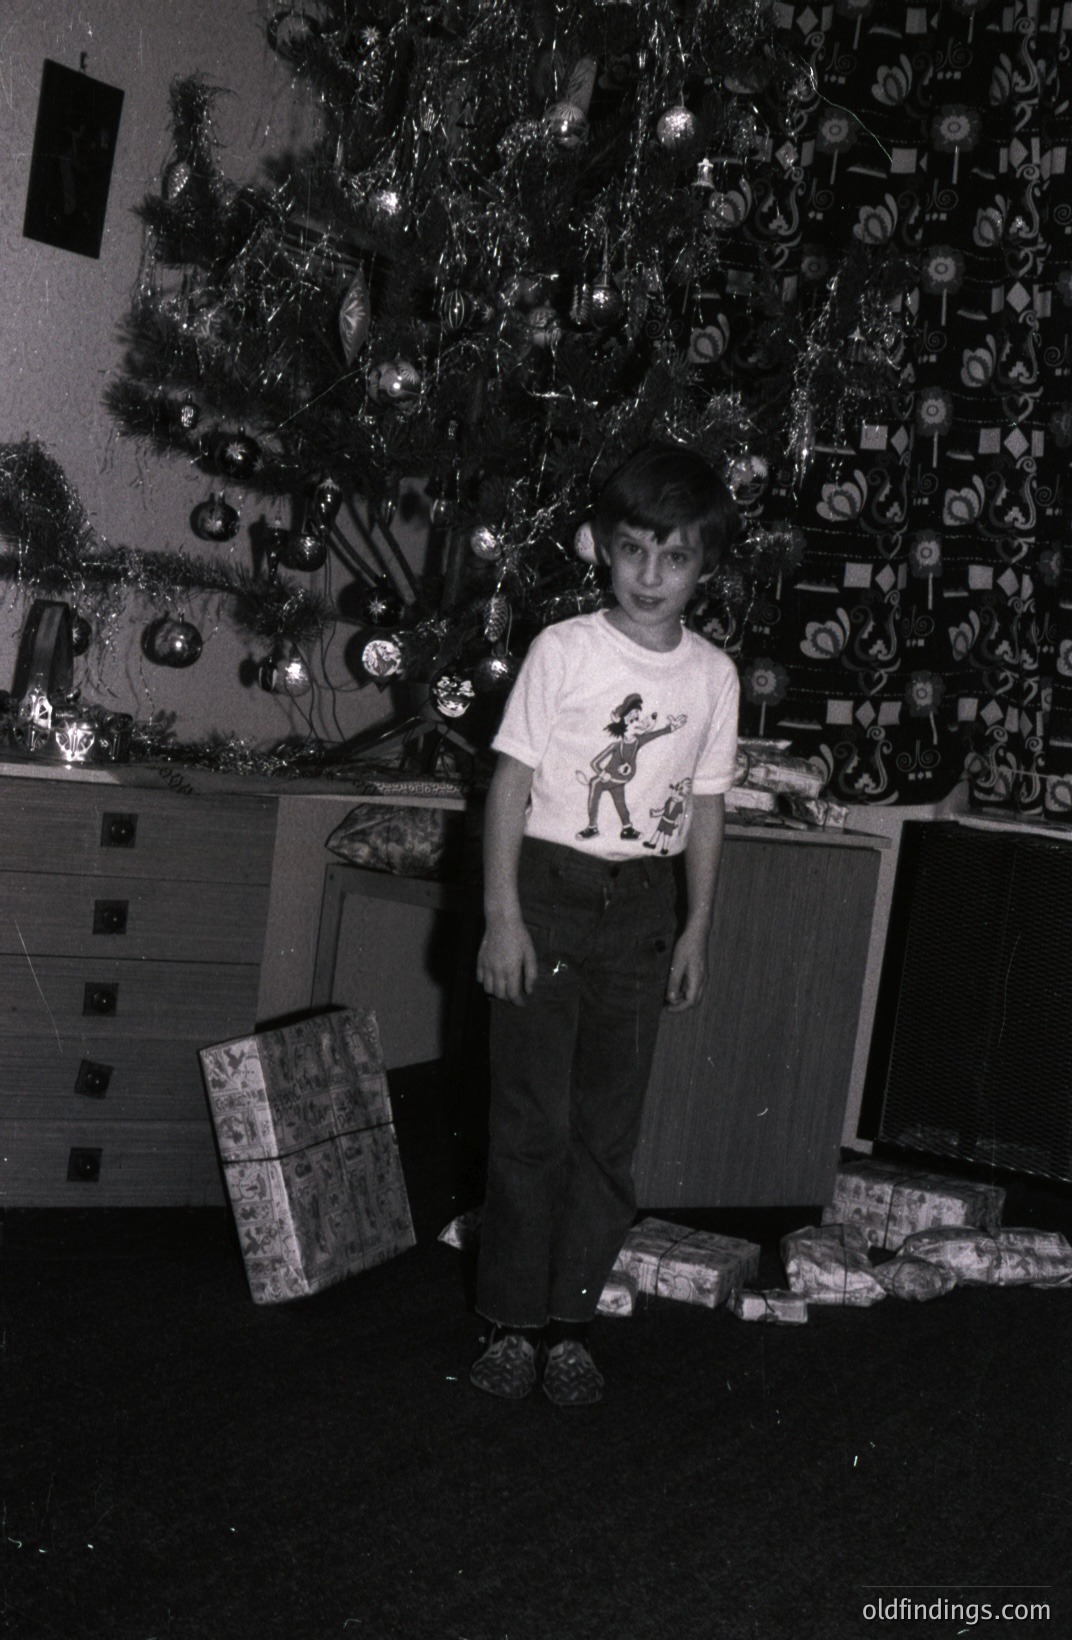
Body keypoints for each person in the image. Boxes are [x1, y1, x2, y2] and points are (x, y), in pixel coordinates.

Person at [470, 444, 741, 1407]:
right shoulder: (566, 651)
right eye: (634, 553)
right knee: (530, 1123)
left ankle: (570, 1324)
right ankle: (510, 1321)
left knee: (606, 1138)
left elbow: (706, 807)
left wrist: (697, 928)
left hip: (641, 911)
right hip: (544, 892)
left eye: (675, 559)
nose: (652, 577)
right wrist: (503, 918)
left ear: (704, 566)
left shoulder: (713, 677)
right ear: (603, 551)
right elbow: (510, 784)